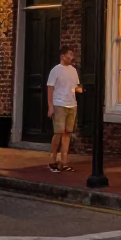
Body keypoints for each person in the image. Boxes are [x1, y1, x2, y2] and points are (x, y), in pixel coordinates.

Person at [46, 45, 82, 173]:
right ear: (62, 56)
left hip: (72, 104)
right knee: (59, 132)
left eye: (72, 55)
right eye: (69, 55)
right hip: (59, 103)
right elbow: (50, 88)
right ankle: (52, 159)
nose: (71, 57)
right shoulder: (56, 70)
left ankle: (64, 161)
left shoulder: (73, 70)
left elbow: (75, 86)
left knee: (67, 133)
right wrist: (50, 106)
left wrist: (79, 90)